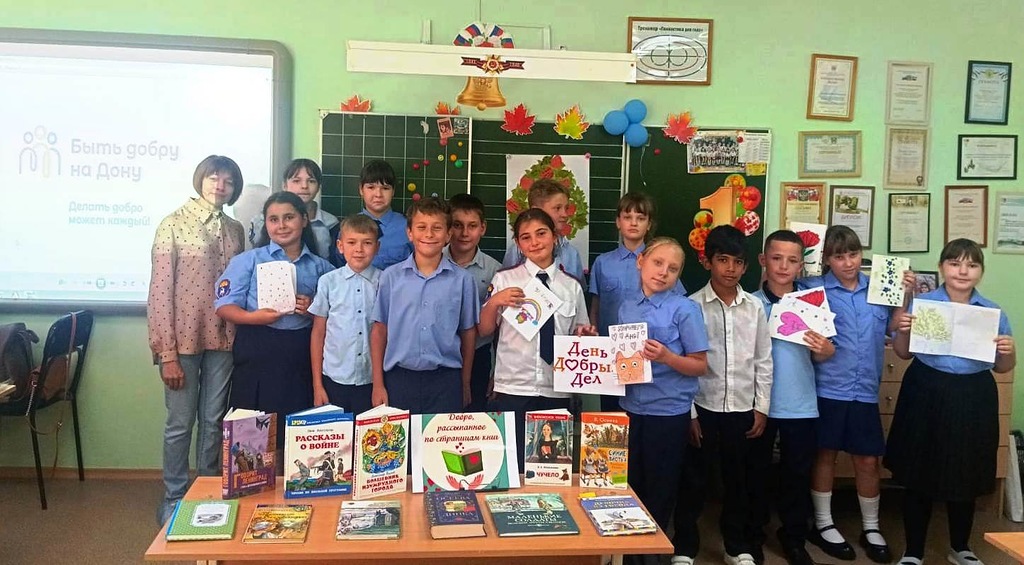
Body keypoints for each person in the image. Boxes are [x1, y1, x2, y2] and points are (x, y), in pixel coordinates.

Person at [887, 239, 1016, 565]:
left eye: (971, 265)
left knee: (965, 471)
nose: (962, 271)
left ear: (980, 271)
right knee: (919, 470)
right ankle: (913, 551)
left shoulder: (992, 312)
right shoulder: (923, 304)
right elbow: (902, 352)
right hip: (926, 388)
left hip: (973, 394)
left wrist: (1008, 351)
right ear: (942, 267)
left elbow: (1003, 367)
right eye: (955, 263)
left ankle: (961, 547)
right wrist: (904, 328)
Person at [148, 155, 245, 525]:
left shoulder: (235, 229)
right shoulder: (173, 224)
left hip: (224, 338)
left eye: (228, 181)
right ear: (200, 179)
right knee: (180, 424)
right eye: (213, 178)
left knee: (214, 421)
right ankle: (174, 497)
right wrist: (167, 353)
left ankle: (207, 491)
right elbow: (159, 292)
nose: (220, 186)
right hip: (182, 342)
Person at [802, 225, 906, 564]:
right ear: (827, 260)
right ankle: (823, 523)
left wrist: (905, 297)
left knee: (868, 459)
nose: (848, 263)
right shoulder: (813, 289)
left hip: (864, 390)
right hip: (828, 388)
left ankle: (871, 527)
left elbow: (894, 330)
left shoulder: (879, 289)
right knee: (825, 454)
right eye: (838, 256)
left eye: (853, 254)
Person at [674, 225, 772, 565]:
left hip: (742, 407)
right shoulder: (690, 306)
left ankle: (735, 546)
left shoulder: (755, 308)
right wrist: (690, 414)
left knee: (737, 482)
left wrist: (762, 407)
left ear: (746, 266)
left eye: (738, 262)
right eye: (723, 260)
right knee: (693, 481)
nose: (730, 268)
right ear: (707, 262)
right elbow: (684, 363)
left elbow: (763, 359)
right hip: (703, 405)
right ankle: (685, 546)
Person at [215, 191, 333, 448]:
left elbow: (336, 314)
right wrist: (252, 317)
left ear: (304, 220)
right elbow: (224, 306)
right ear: (265, 224)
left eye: (289, 217)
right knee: (252, 442)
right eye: (274, 219)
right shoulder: (248, 261)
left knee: (297, 438)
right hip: (257, 350)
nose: (281, 225)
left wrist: (312, 308)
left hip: (301, 356)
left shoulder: (322, 267)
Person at [616, 237, 708, 565]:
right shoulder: (626, 306)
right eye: (657, 263)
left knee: (659, 490)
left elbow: (700, 364)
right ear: (640, 261)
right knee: (629, 487)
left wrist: (668, 357)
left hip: (667, 413)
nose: (663, 272)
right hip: (630, 408)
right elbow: (619, 357)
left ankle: (652, 557)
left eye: (673, 269)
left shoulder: (685, 309)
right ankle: (629, 556)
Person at [480, 208, 595, 465]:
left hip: (556, 388)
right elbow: (484, 330)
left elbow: (579, 333)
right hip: (512, 387)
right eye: (526, 237)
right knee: (511, 467)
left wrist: (585, 335)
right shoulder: (504, 279)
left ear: (555, 236)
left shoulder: (571, 286)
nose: (534, 242)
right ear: (518, 243)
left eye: (541, 233)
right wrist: (495, 301)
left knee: (550, 468)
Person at [749, 230, 835, 565]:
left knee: (797, 475)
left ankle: (794, 536)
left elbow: (823, 353)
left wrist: (826, 349)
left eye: (792, 260)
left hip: (800, 404)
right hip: (759, 403)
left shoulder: (812, 303)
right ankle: (753, 534)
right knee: (755, 472)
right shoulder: (750, 303)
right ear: (763, 261)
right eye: (776, 258)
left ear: (801, 266)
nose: (783, 266)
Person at [370, 197, 479, 414]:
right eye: (421, 227)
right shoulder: (390, 277)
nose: (429, 234)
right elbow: (380, 330)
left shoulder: (463, 280)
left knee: (440, 437)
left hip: (445, 381)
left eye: (437, 228)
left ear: (448, 235)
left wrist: (465, 383)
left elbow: (468, 333)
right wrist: (378, 384)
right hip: (398, 379)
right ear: (409, 233)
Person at [590, 192, 685, 411]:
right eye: (627, 217)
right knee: (612, 419)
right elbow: (595, 307)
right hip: (611, 355)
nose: (633, 223)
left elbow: (676, 303)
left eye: (640, 218)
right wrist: (595, 344)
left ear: (649, 224)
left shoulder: (661, 262)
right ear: (618, 222)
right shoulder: (603, 263)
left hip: (651, 356)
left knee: (643, 415)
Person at [309, 214, 381, 416]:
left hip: (372, 380)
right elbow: (318, 333)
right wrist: (317, 385)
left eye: (367, 243)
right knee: (337, 435)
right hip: (334, 379)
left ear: (377, 248)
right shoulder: (328, 282)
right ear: (340, 246)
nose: (359, 249)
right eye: (351, 242)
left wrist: (379, 384)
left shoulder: (385, 282)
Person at [443, 193, 501, 411]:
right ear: (448, 228)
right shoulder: (432, 261)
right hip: (440, 357)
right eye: (457, 225)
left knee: (473, 420)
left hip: (479, 357)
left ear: (483, 228)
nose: (465, 233)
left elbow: (501, 328)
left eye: (472, 226)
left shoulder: (495, 271)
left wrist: (498, 372)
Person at [250, 159, 342, 266]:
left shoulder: (331, 223)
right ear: (284, 186)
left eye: (311, 181)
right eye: (296, 181)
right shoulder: (260, 221)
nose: (304, 186)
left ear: (319, 187)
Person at [501, 179, 584, 281]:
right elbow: (506, 282)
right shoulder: (517, 251)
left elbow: (578, 288)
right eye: (557, 208)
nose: (564, 214)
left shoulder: (572, 254)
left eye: (566, 208)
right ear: (536, 210)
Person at [358, 159, 411, 270]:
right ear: (361, 190)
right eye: (371, 187)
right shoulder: (348, 227)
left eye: (385, 188)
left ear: (393, 191)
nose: (378, 194)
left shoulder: (408, 228)